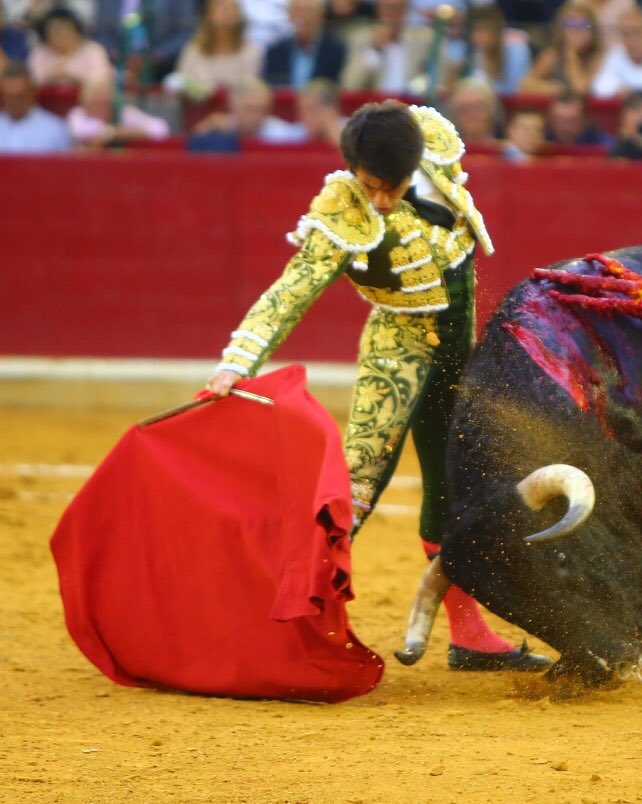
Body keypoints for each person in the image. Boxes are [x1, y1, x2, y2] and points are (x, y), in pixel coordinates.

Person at [203, 101, 551, 672]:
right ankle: (277, 631)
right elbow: (291, 291)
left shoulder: (433, 144)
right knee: (353, 491)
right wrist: (237, 363)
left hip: (459, 361)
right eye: (372, 185)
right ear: (352, 170)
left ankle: (469, 636)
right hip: (399, 356)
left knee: (457, 489)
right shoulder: (340, 213)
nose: (383, 199)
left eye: (394, 185)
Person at [340, 0, 441, 94]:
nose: (390, 14)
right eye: (385, 8)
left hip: (415, 105)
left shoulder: (426, 39)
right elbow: (351, 85)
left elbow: (438, 81)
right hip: (375, 106)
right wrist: (375, 50)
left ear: (406, 10)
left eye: (396, 8)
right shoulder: (362, 38)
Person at [168, 0, 264, 99]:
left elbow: (250, 88)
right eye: (220, 7)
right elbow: (180, 81)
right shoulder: (193, 49)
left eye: (231, 8)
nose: (226, 12)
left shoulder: (252, 51)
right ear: (208, 14)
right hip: (197, 109)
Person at [0, 61, 72, 151]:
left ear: (32, 93)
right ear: (1, 95)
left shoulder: (55, 130)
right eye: (9, 97)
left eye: (20, 96)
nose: (14, 102)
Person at [186, 75, 305, 151]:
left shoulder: (280, 135)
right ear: (235, 108)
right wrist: (207, 127)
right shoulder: (221, 127)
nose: (255, 116)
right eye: (249, 109)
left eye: (261, 109)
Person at [518, 2, 605, 97]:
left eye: (584, 24)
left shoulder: (598, 57)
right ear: (560, 30)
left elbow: (581, 90)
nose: (577, 31)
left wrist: (572, 56)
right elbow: (525, 85)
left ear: (594, 31)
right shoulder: (553, 55)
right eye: (570, 25)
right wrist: (552, 88)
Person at [66, 72, 170, 148]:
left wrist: (121, 133)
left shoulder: (123, 112)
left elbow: (160, 128)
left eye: (107, 102)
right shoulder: (77, 114)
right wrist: (115, 132)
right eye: (98, 103)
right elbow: (81, 132)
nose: (103, 107)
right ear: (86, 102)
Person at [451, 5, 532, 96]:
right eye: (474, 31)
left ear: (496, 32)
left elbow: (516, 88)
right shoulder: (475, 54)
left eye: (481, 30)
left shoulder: (517, 51)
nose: (475, 36)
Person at [261, 0, 346, 88]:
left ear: (321, 15)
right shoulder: (275, 52)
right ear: (289, 15)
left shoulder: (336, 49)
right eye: (297, 11)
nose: (302, 17)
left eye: (308, 11)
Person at [27, 4, 112, 86]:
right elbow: (31, 80)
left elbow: (102, 80)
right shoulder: (39, 52)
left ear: (76, 31)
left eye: (64, 28)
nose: (60, 35)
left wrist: (73, 78)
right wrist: (50, 77)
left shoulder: (93, 50)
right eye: (54, 31)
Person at [446, 76, 503, 146]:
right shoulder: (445, 154)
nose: (471, 114)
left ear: (491, 110)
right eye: (464, 109)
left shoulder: (509, 152)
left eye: (477, 107)